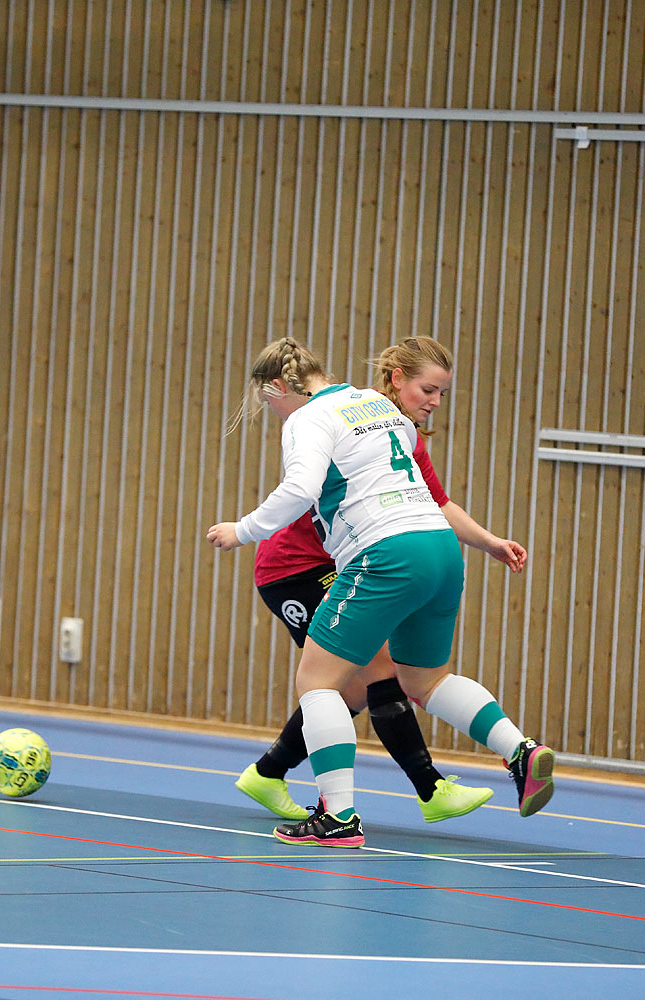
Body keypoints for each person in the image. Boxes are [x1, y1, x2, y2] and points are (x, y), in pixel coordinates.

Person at [207, 337, 556, 848]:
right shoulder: (379, 408)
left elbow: (301, 489)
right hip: (439, 552)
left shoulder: (308, 418)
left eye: (270, 403)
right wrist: (485, 543)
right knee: (425, 678)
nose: (275, 414)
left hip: (383, 553)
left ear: (279, 386)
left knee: (319, 682)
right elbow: (434, 500)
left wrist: (243, 529)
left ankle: (339, 817)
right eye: (429, 389)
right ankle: (518, 749)